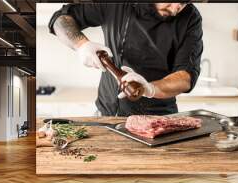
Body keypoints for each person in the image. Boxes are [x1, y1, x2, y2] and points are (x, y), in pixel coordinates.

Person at [49, 3, 203, 116]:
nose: (176, 9)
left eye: (183, 3)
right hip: (105, 115)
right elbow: (60, 20)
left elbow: (185, 76)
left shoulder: (191, 17)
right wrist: (81, 44)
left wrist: (150, 88)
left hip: (158, 118)